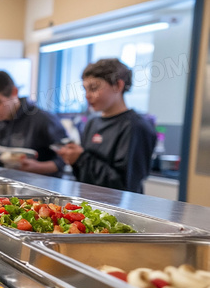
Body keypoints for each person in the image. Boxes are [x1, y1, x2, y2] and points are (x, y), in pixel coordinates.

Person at [57, 59, 156, 193]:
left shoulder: (136, 127)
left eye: (93, 88)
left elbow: (125, 185)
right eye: (85, 89)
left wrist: (81, 158)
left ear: (118, 86)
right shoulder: (92, 122)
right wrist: (74, 157)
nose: (87, 96)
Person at [0, 70, 67, 176]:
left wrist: (38, 167)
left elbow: (65, 160)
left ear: (14, 92)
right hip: (4, 185)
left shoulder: (43, 120)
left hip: (40, 187)